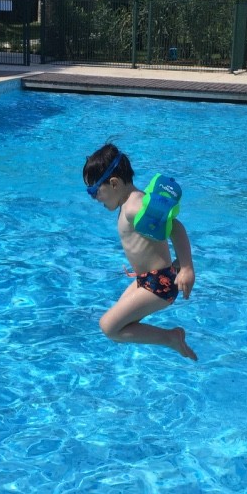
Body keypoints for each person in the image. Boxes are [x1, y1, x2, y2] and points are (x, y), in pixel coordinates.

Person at [82, 143, 197, 360]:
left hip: (160, 284)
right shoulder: (133, 202)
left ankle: (170, 338)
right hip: (147, 280)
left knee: (109, 327)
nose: (95, 198)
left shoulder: (134, 208)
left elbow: (177, 228)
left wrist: (187, 268)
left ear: (114, 183)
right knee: (120, 322)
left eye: (94, 191)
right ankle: (169, 337)